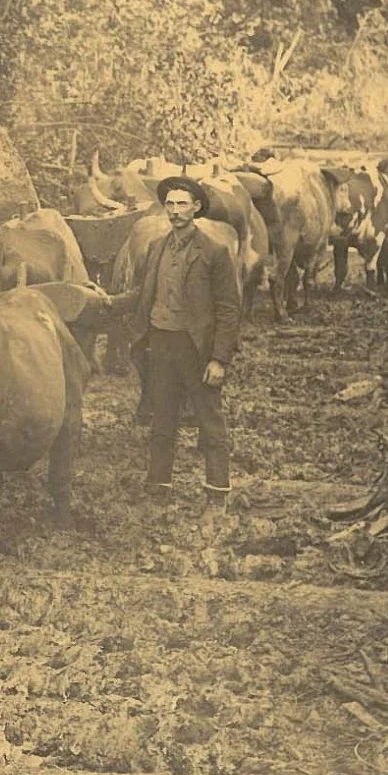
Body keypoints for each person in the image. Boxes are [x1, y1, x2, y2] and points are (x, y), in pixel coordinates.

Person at [113, 176, 240, 532]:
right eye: (170, 204)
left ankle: (217, 495)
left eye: (182, 204)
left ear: (196, 207)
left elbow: (230, 309)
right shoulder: (156, 247)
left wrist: (219, 359)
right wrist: (106, 303)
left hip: (197, 348)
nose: (175, 211)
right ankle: (158, 490)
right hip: (161, 344)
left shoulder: (214, 252)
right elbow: (142, 292)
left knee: (209, 421)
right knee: (162, 420)